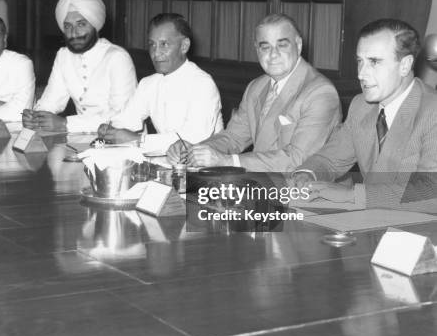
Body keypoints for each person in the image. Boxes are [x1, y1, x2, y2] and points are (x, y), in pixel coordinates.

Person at [292, 18, 437, 210]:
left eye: (374, 62)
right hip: (369, 223)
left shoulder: (431, 110)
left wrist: (349, 195)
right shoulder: (361, 105)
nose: (361, 73)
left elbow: (430, 191)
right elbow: (330, 159)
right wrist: (307, 175)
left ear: (405, 65)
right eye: (360, 61)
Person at [167, 13, 341, 172]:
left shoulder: (320, 93)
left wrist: (227, 161)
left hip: (303, 196)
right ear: (256, 49)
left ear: (299, 45)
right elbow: (233, 137)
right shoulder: (256, 87)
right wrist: (192, 150)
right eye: (265, 47)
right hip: (263, 188)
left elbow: (297, 160)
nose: (273, 54)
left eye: (282, 45)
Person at [97, 13, 223, 150]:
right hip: (165, 163)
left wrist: (139, 140)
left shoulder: (202, 84)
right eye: (152, 45)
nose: (156, 53)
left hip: (203, 166)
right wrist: (111, 128)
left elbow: (194, 138)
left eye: (164, 44)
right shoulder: (149, 83)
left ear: (184, 46)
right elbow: (128, 119)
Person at [23, 0, 136, 132]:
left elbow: (122, 115)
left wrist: (66, 124)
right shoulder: (64, 56)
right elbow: (50, 101)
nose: (74, 33)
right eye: (68, 26)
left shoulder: (117, 58)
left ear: (95, 25)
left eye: (81, 24)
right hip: (82, 139)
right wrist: (36, 116)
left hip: (121, 141)